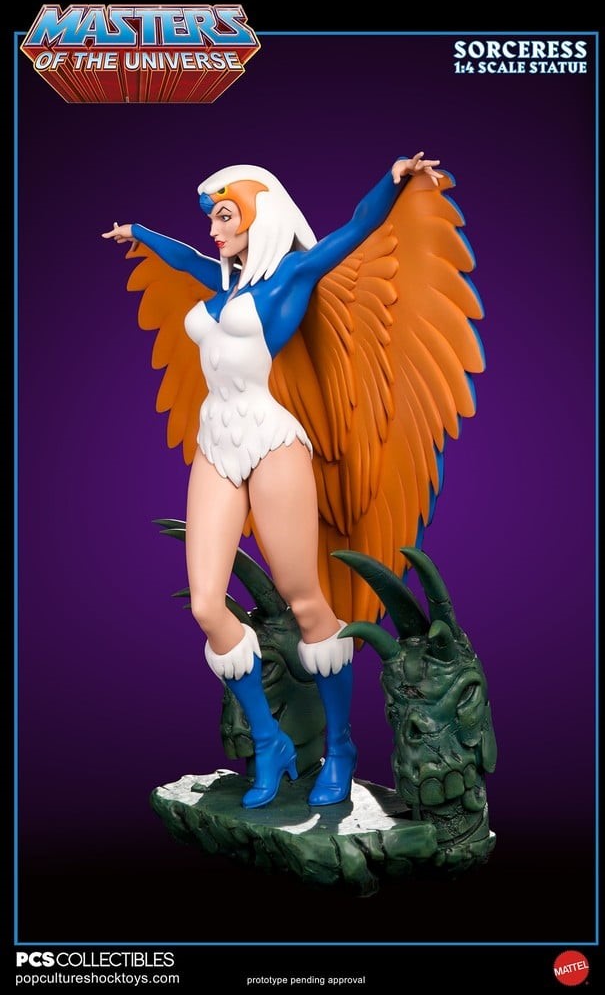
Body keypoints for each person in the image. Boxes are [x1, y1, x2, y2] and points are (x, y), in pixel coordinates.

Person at [102, 151, 441, 810]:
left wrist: (392, 178)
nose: (213, 230)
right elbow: (182, 260)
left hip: (270, 440)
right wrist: (140, 233)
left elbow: (356, 227)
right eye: (211, 218)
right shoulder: (221, 280)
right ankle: (269, 740)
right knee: (208, 606)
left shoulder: (291, 274)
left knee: (306, 601)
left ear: (260, 214)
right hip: (216, 440)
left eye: (225, 216)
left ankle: (341, 747)